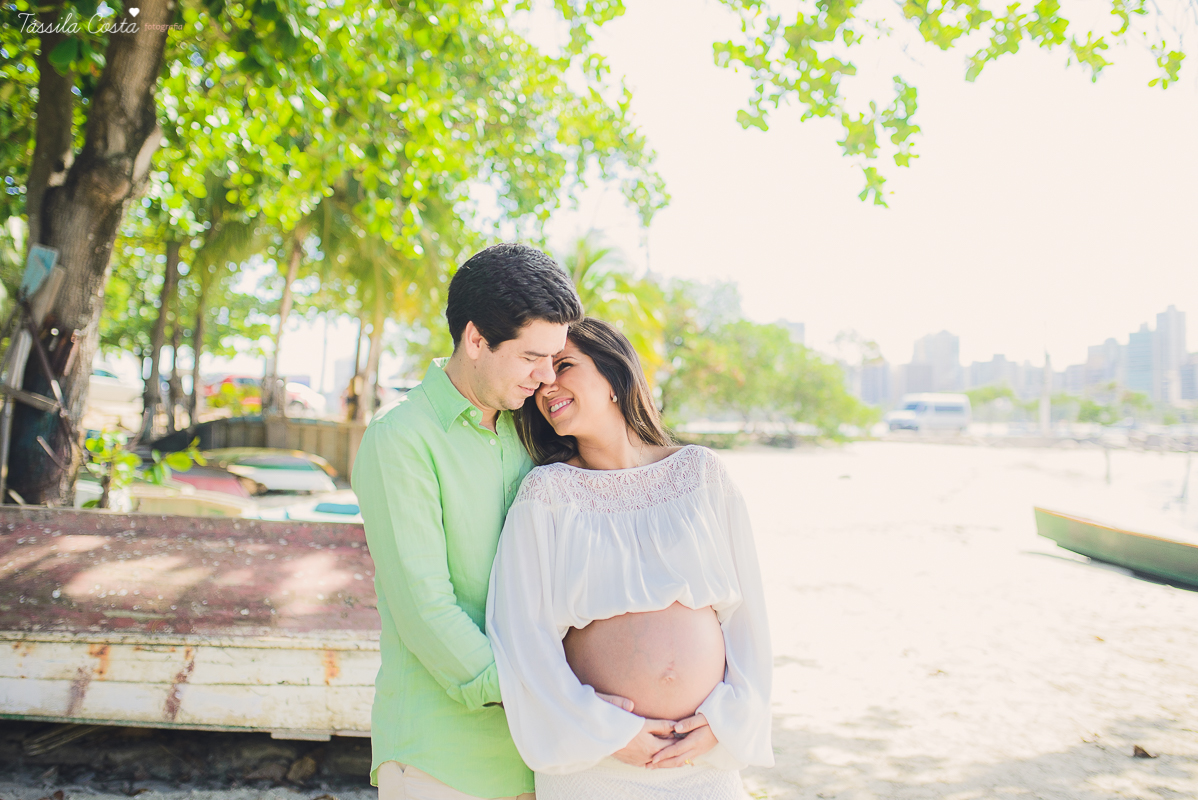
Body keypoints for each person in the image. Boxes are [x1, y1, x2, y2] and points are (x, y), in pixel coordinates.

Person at [486, 318, 774, 800]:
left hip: (701, 755)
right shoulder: (547, 493)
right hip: (598, 760)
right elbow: (520, 634)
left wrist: (728, 722)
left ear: (614, 375)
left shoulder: (700, 473)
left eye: (563, 365)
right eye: (539, 374)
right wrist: (604, 731)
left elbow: (748, 617)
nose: (546, 384)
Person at [351, 243, 584, 800]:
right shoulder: (400, 439)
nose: (546, 376)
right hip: (442, 759)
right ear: (476, 340)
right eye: (531, 357)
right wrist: (556, 701)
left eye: (554, 358)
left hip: (544, 759)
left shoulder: (532, 428)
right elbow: (426, 610)